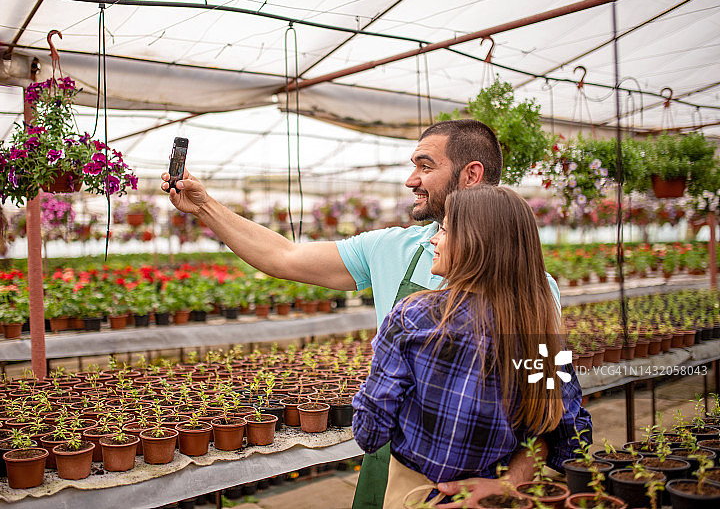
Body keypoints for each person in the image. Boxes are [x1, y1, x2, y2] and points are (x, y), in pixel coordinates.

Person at [161, 119, 563, 508]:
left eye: (425, 166)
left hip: (489, 482)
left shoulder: (534, 291)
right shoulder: (392, 247)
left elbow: (548, 413)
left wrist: (506, 488)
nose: (411, 180)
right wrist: (205, 207)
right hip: (392, 469)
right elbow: (285, 255)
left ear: (470, 174)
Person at [352, 186, 591, 508]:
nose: (434, 239)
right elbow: (569, 433)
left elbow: (370, 431)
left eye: (445, 229)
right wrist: (511, 481)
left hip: (421, 493)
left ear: (475, 243)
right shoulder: (534, 326)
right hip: (504, 495)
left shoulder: (415, 316)